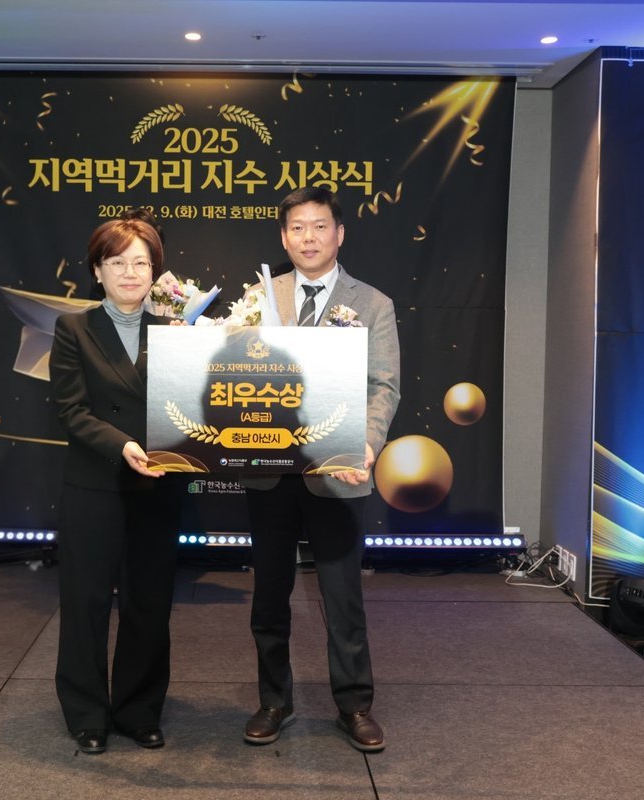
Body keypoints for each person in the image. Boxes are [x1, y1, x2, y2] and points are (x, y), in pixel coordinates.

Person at [241, 186, 401, 752]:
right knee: (269, 594)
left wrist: (368, 444)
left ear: (339, 233)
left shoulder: (373, 304)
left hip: (340, 470)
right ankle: (273, 700)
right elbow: (234, 372)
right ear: (284, 238)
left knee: (342, 596)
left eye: (320, 226)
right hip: (269, 467)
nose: (309, 237)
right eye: (298, 228)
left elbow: (383, 387)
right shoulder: (260, 297)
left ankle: (354, 705)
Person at [51, 217, 180, 755]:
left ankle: (138, 711)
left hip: (158, 487)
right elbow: (71, 410)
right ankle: (87, 714)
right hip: (94, 485)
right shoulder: (73, 329)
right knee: (85, 604)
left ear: (155, 271)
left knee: (149, 604)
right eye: (118, 261)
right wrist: (123, 445)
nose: (130, 272)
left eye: (141, 262)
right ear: (97, 271)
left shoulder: (175, 333)